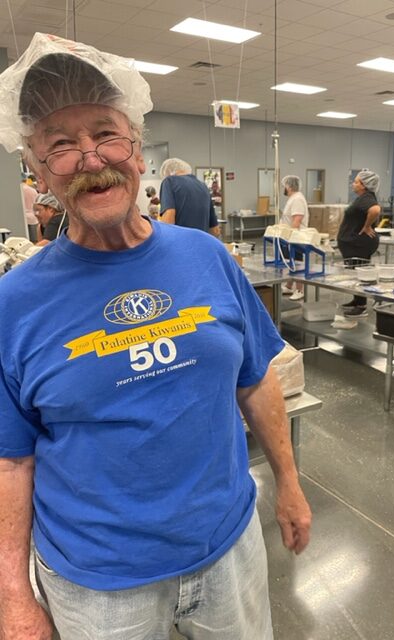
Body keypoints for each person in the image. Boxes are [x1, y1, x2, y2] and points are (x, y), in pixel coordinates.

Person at [0, 32, 311, 640]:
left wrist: (290, 485)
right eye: (61, 146)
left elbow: (254, 378)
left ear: (138, 149)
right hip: (99, 581)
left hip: (228, 548)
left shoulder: (208, 257)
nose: (91, 159)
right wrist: (12, 593)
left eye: (106, 134)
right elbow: (10, 461)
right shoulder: (14, 302)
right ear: (37, 170)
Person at [337, 169, 381, 318]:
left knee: (359, 273)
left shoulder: (366, 197)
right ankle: (357, 300)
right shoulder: (362, 197)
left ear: (364, 185)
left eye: (356, 182)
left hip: (358, 244)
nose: (353, 184)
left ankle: (361, 306)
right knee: (356, 273)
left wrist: (367, 226)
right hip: (353, 244)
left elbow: (375, 210)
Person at [159, 158, 220, 237]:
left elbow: (168, 222)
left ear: (168, 173)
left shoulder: (169, 182)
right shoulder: (203, 186)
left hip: (180, 246)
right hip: (201, 246)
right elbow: (215, 230)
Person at [279, 175, 309, 301]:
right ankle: (289, 286)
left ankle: (299, 289)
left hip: (295, 237)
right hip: (288, 236)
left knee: (297, 263)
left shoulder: (297, 199)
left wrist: (290, 237)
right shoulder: (293, 198)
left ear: (289, 186)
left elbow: (297, 220)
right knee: (291, 262)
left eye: (284, 186)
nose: (283, 188)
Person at [20, 173, 39, 242]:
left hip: (23, 219)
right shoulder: (32, 190)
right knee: (35, 242)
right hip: (34, 218)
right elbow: (37, 204)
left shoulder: (19, 191)